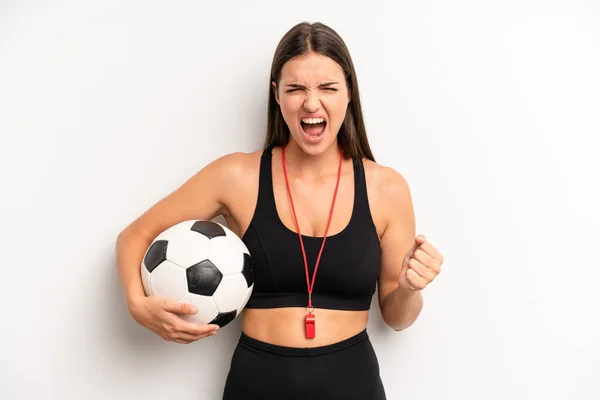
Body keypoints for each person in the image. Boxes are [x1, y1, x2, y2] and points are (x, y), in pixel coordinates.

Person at [116, 21, 444, 400]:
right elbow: (134, 236)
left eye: (327, 88)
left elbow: (398, 318)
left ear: (349, 93)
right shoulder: (236, 176)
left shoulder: (386, 187)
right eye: (295, 88)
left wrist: (408, 288)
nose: (311, 102)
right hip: (257, 385)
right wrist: (137, 305)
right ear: (276, 94)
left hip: (353, 385)